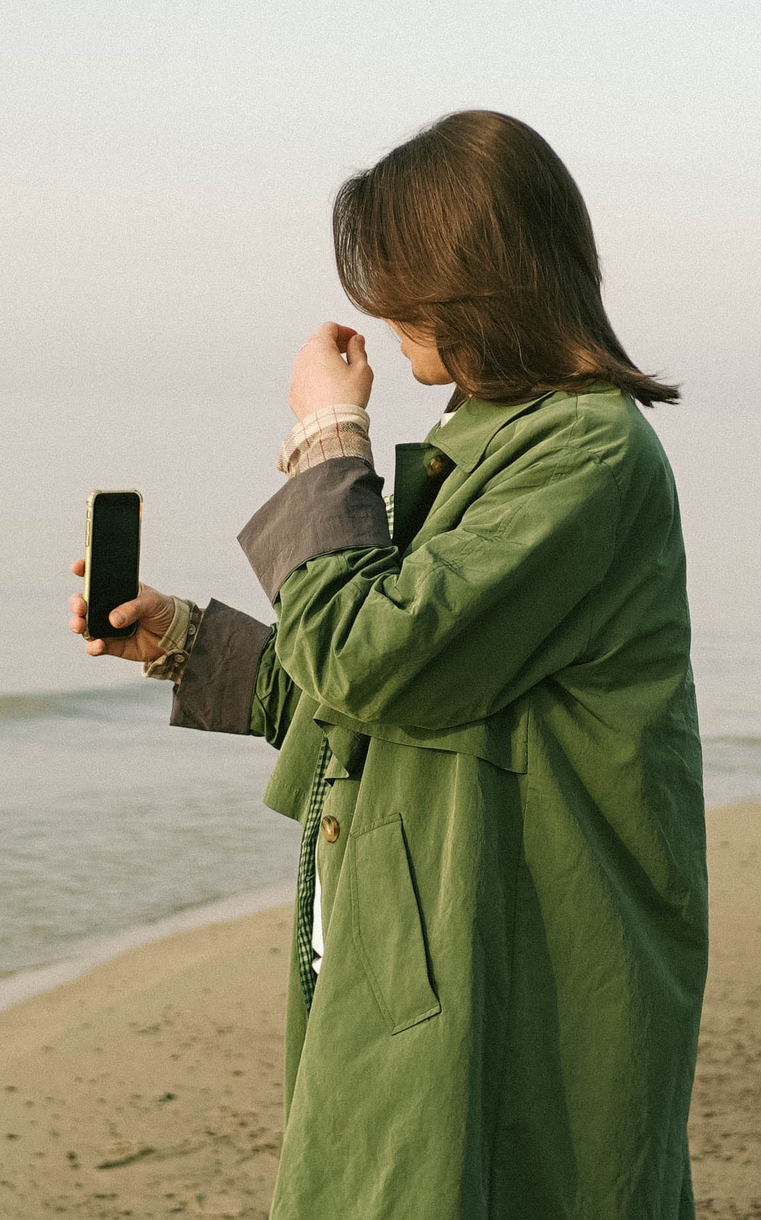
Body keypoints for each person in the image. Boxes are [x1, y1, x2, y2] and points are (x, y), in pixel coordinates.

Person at [66, 110, 706, 1219]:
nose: (379, 309)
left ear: (473, 284)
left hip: (512, 965)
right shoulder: (499, 439)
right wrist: (177, 638)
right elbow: (379, 689)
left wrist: (329, 440)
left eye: (400, 282)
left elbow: (372, 660)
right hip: (420, 950)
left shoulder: (586, 453)